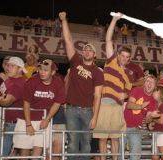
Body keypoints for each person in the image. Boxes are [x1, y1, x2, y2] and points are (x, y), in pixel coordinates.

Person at [59, 11, 104, 160]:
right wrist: (64, 20)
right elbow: (68, 40)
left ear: (94, 55)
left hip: (87, 111)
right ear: (82, 52)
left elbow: (98, 95)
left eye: (90, 50)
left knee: (86, 143)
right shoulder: (76, 61)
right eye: (85, 49)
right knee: (72, 142)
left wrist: (95, 117)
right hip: (71, 109)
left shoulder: (97, 72)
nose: (87, 51)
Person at [93, 12, 133, 160]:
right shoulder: (111, 61)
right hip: (103, 104)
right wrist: (114, 20)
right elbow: (108, 39)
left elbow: (128, 92)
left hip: (117, 107)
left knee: (115, 138)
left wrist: (126, 95)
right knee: (103, 138)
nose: (124, 58)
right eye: (122, 55)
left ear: (129, 59)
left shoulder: (129, 74)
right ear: (118, 55)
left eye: (127, 57)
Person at [13, 59, 66, 158]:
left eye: (46, 70)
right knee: (24, 150)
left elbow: (57, 103)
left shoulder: (58, 83)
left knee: (39, 149)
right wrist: (28, 124)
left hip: (42, 119)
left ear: (53, 72)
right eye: (40, 69)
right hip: (26, 119)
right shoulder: (32, 80)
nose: (42, 72)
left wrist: (47, 119)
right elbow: (26, 103)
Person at [124, 75, 157, 160]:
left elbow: (147, 119)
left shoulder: (153, 101)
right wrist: (142, 106)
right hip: (123, 125)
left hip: (136, 128)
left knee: (135, 155)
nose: (149, 84)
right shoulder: (137, 90)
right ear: (144, 83)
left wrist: (151, 117)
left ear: (155, 86)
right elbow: (129, 105)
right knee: (119, 153)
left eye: (152, 83)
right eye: (147, 81)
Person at [0, 56, 27, 156]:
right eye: (7, 65)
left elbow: (7, 101)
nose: (8, 67)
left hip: (12, 123)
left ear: (20, 69)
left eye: (12, 66)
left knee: (2, 153)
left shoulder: (19, 83)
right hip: (6, 121)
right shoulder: (9, 80)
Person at [149, 85, 163, 160]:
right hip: (158, 133)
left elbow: (161, 121)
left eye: (156, 91)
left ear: (161, 94)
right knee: (155, 157)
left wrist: (152, 119)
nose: (153, 93)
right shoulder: (158, 105)